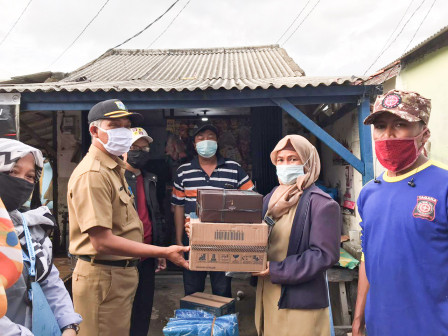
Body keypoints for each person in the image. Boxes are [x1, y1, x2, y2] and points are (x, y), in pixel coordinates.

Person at [67, 99, 189, 336]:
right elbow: (101, 241)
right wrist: (162, 252)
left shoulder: (114, 170)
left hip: (119, 274)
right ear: (94, 130)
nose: (122, 132)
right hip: (103, 277)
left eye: (125, 126)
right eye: (114, 126)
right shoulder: (94, 174)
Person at [352, 90, 448, 336]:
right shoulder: (368, 193)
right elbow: (367, 256)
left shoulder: (443, 185)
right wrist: (359, 319)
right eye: (380, 126)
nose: (388, 135)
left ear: (423, 132)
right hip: (379, 326)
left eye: (400, 125)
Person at [252, 134, 341, 336]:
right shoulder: (270, 199)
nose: (285, 165)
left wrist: (275, 270)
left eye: (293, 159)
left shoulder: (322, 204)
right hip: (268, 292)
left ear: (308, 162)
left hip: (299, 300)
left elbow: (324, 255)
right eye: (280, 160)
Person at [0, 138, 82, 336]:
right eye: (12, 172)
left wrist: (68, 325)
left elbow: (49, 280)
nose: (21, 181)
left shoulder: (27, 228)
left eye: (30, 176)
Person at [172, 124, 255, 298]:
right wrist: (179, 240)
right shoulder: (183, 172)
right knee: (193, 289)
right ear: (194, 144)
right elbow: (178, 207)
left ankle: (223, 324)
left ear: (217, 142)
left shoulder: (233, 168)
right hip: (192, 238)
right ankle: (196, 324)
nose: (206, 141)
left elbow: (251, 200)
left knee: (223, 289)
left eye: (210, 137)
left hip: (225, 238)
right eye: (200, 138)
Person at [124, 127, 167, 336]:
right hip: (124, 255)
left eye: (144, 148)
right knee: (123, 311)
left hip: (147, 254)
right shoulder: (116, 178)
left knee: (143, 308)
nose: (139, 152)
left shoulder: (151, 179)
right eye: (134, 147)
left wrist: (159, 250)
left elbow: (155, 214)